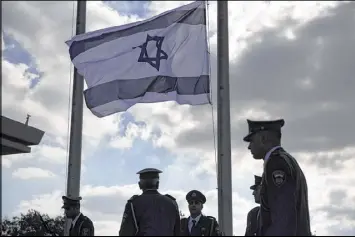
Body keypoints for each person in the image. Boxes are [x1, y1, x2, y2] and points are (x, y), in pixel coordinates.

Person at [243, 119, 312, 236]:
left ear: (263, 139)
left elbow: (283, 214)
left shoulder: (276, 163)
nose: (249, 147)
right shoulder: (287, 160)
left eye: (251, 141)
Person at [119, 168, 180, 236]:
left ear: (140, 185)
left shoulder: (133, 204)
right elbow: (177, 232)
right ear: (158, 184)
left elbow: (125, 232)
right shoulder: (172, 203)